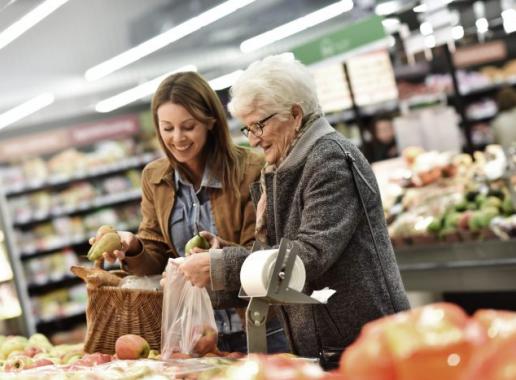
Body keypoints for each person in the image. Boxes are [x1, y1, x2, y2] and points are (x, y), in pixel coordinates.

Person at [177, 54, 410, 366]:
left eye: (258, 125)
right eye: (246, 129)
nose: (254, 140)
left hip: (362, 343)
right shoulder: (281, 167)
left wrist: (220, 267)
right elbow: (273, 263)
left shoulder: (330, 160)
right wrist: (215, 268)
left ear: (296, 114)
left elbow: (309, 256)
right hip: (323, 345)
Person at [90, 71, 288, 353]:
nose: (177, 138)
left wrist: (216, 261)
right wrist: (132, 247)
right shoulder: (155, 177)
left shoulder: (252, 170)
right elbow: (157, 253)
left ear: (210, 122)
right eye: (167, 128)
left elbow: (263, 251)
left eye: (188, 126)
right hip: (195, 334)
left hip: (259, 327)